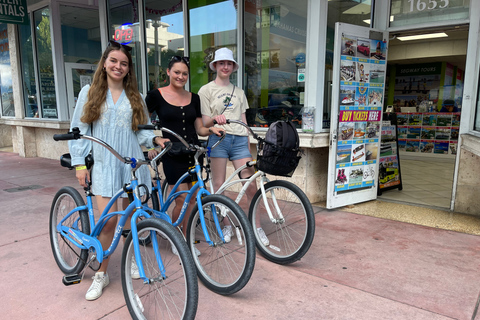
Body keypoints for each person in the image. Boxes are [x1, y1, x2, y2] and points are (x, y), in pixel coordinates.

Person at [69, 40, 168, 301]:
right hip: (104, 165)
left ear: (128, 69)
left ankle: (131, 261)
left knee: (133, 219)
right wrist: (80, 163)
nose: (118, 66)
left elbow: (143, 130)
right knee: (109, 222)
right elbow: (79, 132)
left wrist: (154, 140)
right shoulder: (89, 93)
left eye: (124, 63)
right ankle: (101, 273)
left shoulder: (135, 96)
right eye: (113, 61)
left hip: (132, 166)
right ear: (104, 63)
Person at [145, 56, 224, 251]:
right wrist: (151, 144)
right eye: (177, 72)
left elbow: (199, 128)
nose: (181, 76)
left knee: (194, 198)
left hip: (193, 153)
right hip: (172, 153)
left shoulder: (194, 97)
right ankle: (177, 238)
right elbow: (141, 124)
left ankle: (187, 236)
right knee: (181, 198)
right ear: (168, 72)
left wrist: (211, 128)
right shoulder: (155, 95)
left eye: (184, 74)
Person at [198, 47, 268, 246]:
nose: (225, 66)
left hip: (238, 141)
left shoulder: (239, 92)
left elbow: (243, 120)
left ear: (233, 67)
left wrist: (247, 143)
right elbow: (204, 123)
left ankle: (257, 227)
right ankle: (226, 223)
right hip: (218, 139)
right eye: (221, 63)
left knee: (251, 185)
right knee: (219, 186)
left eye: (228, 63)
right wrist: (214, 120)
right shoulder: (206, 90)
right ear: (215, 66)